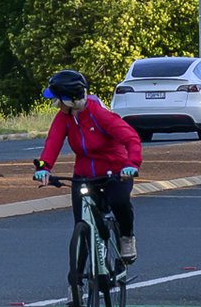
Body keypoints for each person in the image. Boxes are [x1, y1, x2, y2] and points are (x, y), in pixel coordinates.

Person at [31, 67, 143, 265]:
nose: (55, 103)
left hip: (116, 172)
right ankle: (77, 278)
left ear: (70, 100)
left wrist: (132, 164)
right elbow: (52, 143)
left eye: (57, 99)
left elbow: (131, 138)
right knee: (81, 225)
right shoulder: (64, 117)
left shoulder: (99, 114)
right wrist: (43, 167)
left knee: (119, 202)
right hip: (83, 176)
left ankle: (126, 237)